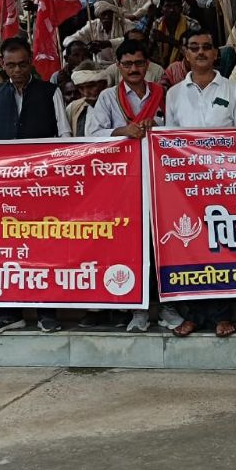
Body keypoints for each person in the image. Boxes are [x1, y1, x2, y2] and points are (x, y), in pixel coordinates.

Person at [166, 30, 236, 337]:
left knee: (220, 247)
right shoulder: (174, 93)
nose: (201, 52)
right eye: (194, 47)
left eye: (206, 47)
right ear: (185, 54)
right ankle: (193, 315)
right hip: (186, 185)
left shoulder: (233, 90)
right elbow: (169, 142)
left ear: (216, 53)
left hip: (223, 182)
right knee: (189, 247)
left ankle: (221, 315)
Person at [0, 38, 70, 335]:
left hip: (44, 186)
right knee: (9, 249)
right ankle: (11, 313)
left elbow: (65, 137)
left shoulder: (50, 92)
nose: (17, 71)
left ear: (31, 61)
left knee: (45, 248)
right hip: (8, 188)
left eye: (22, 64)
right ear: (2, 65)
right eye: (11, 65)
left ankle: (47, 312)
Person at [86, 39, 168, 332]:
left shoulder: (162, 94)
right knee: (132, 245)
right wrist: (124, 130)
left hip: (159, 182)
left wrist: (158, 130)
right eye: (128, 64)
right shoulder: (108, 97)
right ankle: (138, 309)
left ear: (148, 65)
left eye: (139, 63)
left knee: (161, 245)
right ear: (118, 67)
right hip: (122, 184)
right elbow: (92, 134)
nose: (134, 69)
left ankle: (167, 307)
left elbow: (177, 130)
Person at [63, 0, 134, 64]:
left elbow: (135, 39)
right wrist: (85, 47)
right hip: (99, 66)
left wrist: (108, 43)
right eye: (104, 14)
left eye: (109, 13)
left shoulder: (124, 23)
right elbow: (68, 40)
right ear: (99, 15)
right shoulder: (93, 25)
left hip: (121, 64)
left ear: (113, 13)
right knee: (66, 52)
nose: (107, 17)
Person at [149, 0, 201, 67]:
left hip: (187, 67)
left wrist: (167, 39)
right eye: (168, 6)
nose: (172, 10)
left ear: (181, 8)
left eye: (176, 6)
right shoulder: (157, 24)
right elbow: (149, 52)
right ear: (161, 9)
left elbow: (196, 51)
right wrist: (149, 20)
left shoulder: (192, 24)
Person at [66, 63, 109, 137]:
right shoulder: (73, 108)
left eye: (90, 86)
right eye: (81, 88)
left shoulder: (116, 104)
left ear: (103, 84)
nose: (85, 93)